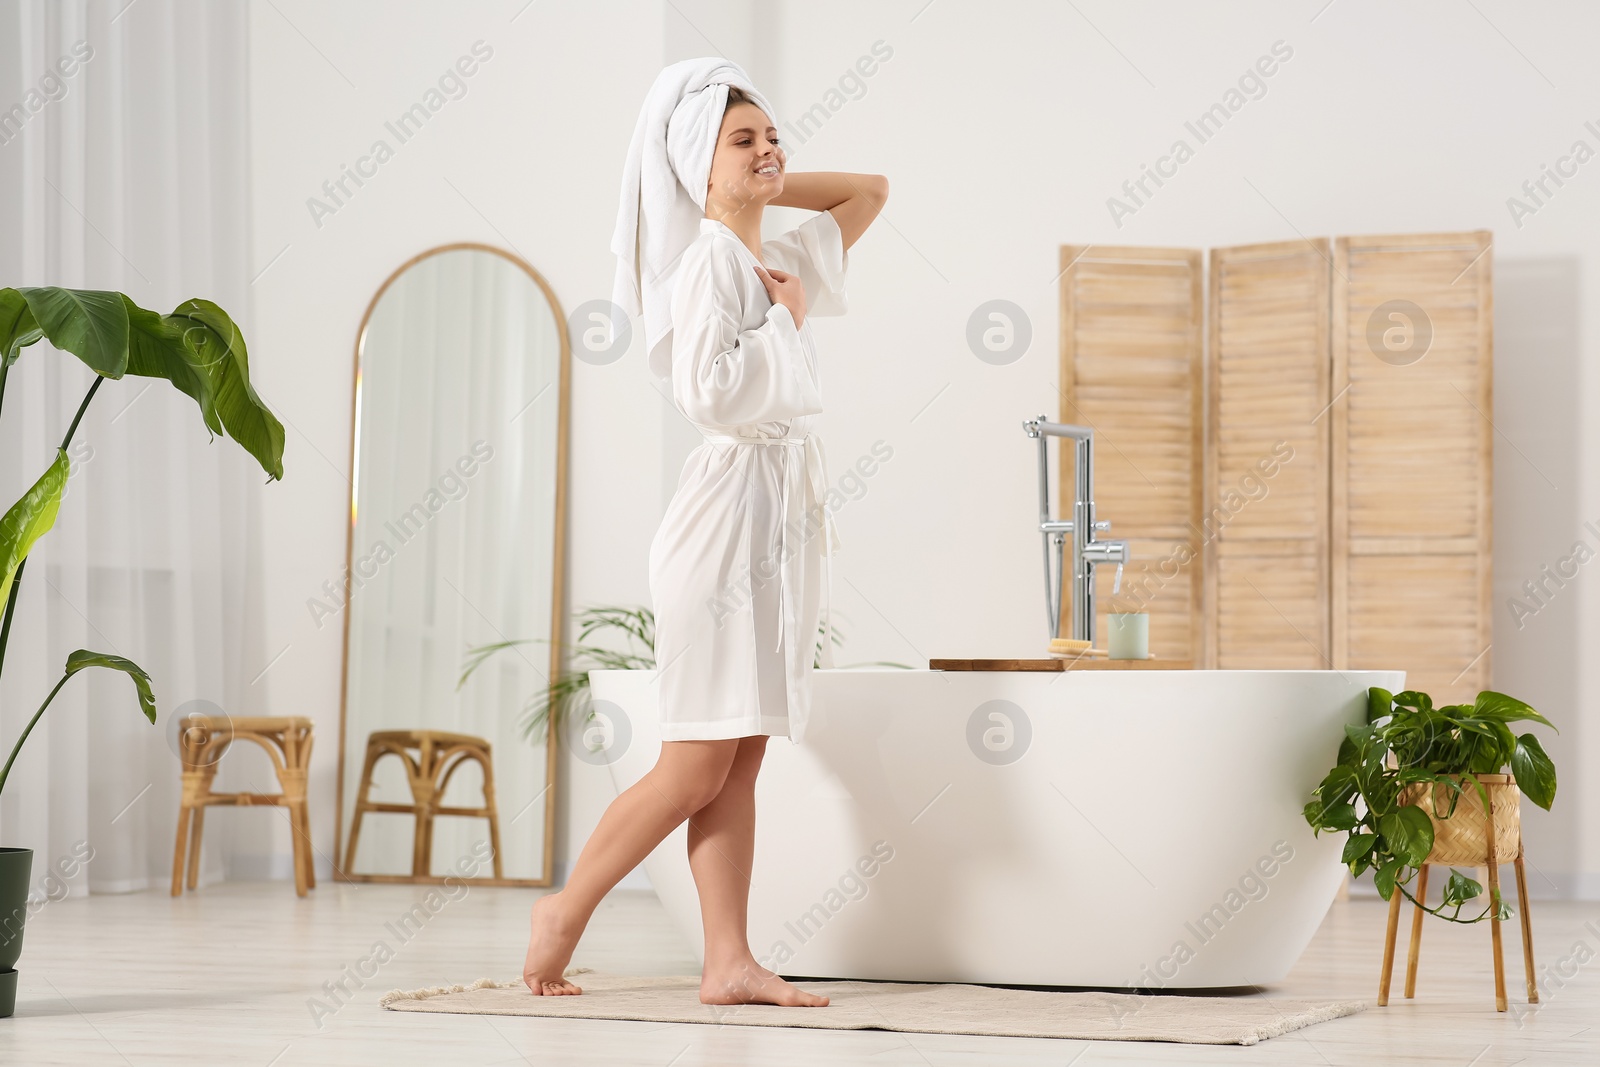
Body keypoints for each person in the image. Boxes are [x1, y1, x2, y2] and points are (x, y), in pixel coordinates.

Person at [521, 58, 887, 1007]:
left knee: (740, 753)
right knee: (695, 759)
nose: (770, 148)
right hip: (724, 522)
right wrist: (783, 318)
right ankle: (563, 910)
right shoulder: (708, 266)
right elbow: (711, 392)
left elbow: (871, 189)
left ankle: (728, 960)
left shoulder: (773, 254)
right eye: (744, 138)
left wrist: (751, 184)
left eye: (773, 136)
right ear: (696, 166)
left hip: (771, 514)